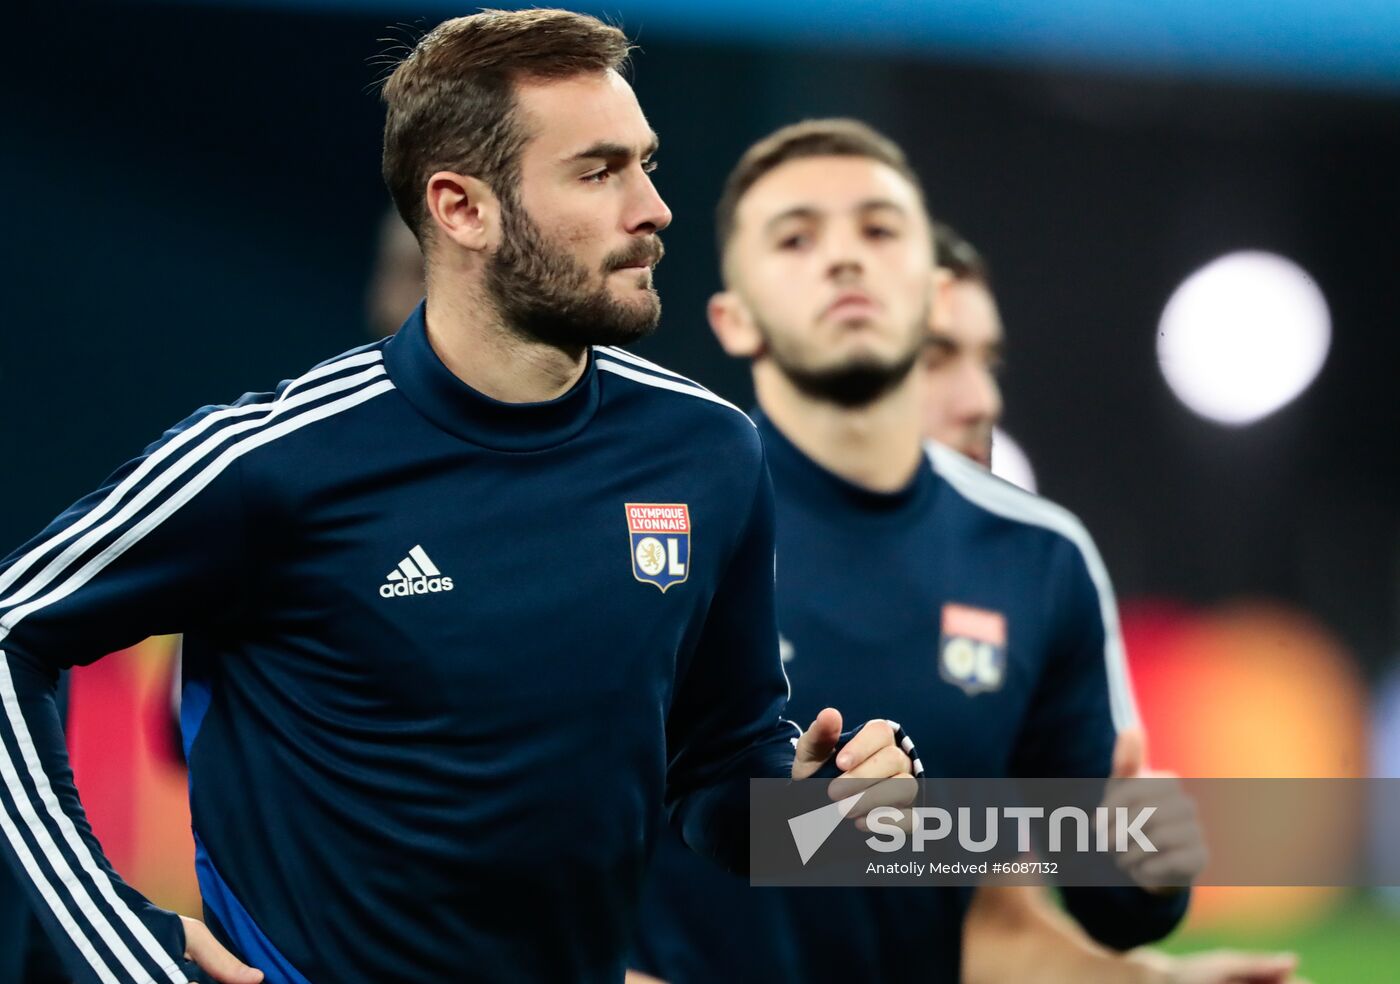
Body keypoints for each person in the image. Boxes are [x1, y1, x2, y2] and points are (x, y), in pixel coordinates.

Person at [0, 14, 912, 984]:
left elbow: (719, 786)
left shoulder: (707, 453)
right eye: (598, 172)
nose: (653, 208)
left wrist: (829, 818)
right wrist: (118, 941)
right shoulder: (274, 459)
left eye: (644, 164)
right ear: (460, 208)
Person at [631, 118, 1201, 984]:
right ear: (734, 320)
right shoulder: (649, 532)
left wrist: (1148, 870)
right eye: (796, 237)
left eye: (878, 228)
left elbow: (1076, 901)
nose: (844, 258)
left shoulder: (1041, 557)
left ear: (931, 291)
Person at [925, 223, 1305, 984]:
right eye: (933, 359)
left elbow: (983, 928)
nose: (980, 400)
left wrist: (1156, 977)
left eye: (986, 362)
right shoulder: (713, 553)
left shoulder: (989, 598)